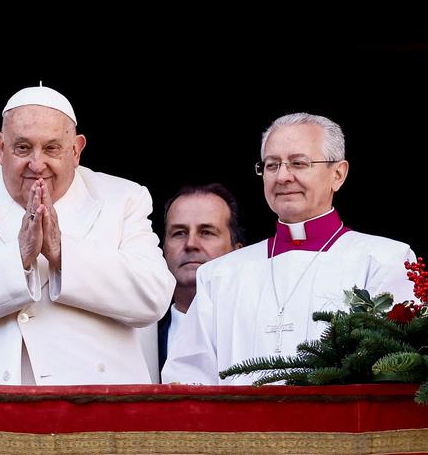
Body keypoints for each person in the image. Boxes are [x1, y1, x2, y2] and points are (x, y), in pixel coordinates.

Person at [0, 84, 175, 385]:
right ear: (0, 146)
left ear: (76, 150)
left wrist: (62, 253)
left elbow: (153, 297)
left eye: (52, 148)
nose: (37, 164)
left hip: (100, 405)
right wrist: (18, 258)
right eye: (22, 148)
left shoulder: (123, 198)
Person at [162, 112, 417, 385]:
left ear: (338, 174)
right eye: (272, 165)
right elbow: (188, 378)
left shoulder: (384, 261)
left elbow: (395, 374)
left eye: (298, 163)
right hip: (240, 428)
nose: (283, 176)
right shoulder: (219, 275)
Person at [158, 184, 244, 374]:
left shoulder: (254, 332)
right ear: (163, 250)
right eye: (179, 233)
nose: (190, 244)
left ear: (237, 252)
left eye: (206, 232)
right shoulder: (140, 340)